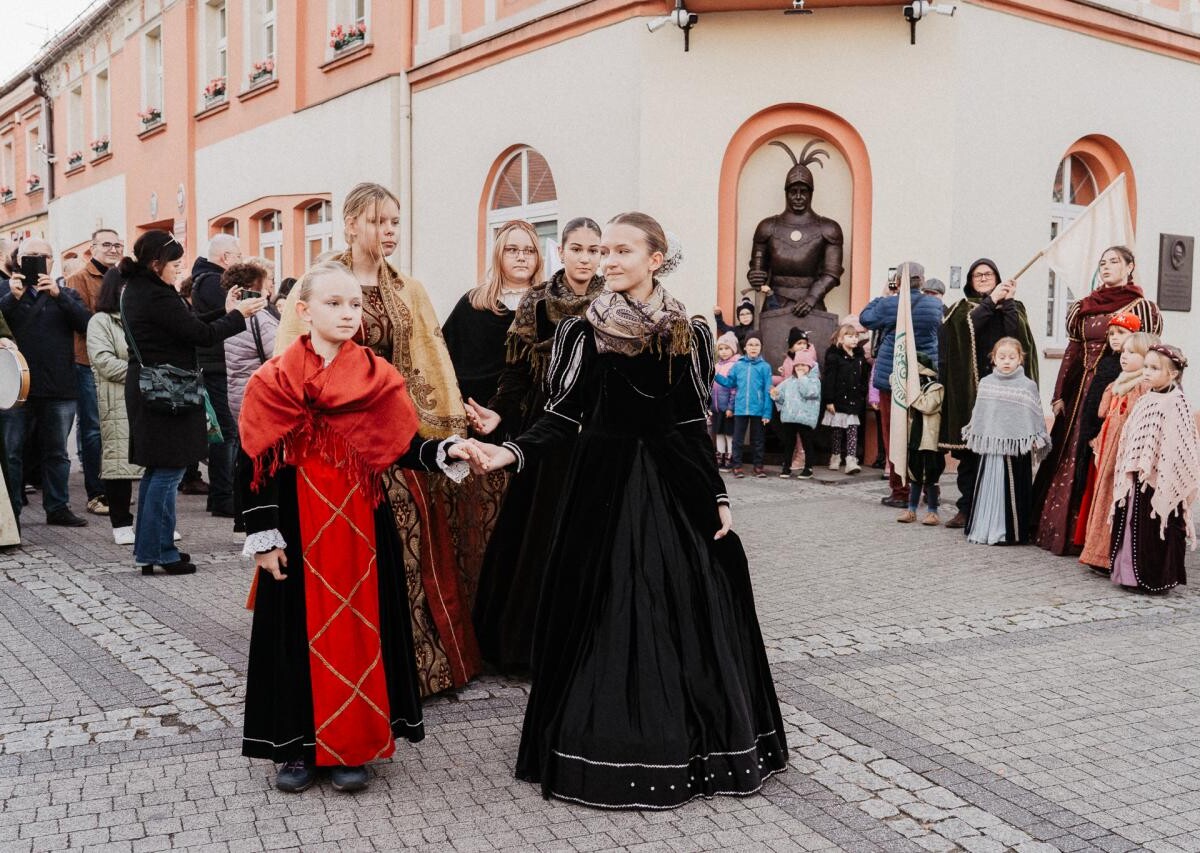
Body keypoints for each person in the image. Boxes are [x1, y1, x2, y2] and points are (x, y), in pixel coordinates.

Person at [468, 212, 787, 809]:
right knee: (601, 605)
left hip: (670, 489)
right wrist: (511, 451)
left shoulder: (687, 331)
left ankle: (694, 742)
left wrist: (714, 494)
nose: (607, 261)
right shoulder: (579, 331)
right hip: (599, 488)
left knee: (682, 605)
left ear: (655, 257)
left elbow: (693, 422)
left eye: (620, 251)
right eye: (602, 252)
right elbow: (561, 415)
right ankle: (593, 741)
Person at [238, 262, 477, 795]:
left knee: (361, 634)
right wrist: (262, 537)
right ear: (304, 311)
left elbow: (401, 443)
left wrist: (444, 450)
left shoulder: (377, 376)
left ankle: (351, 746)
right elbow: (256, 460)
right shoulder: (274, 380)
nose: (348, 314)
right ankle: (296, 749)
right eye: (333, 304)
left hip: (362, 530)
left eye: (353, 305)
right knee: (293, 636)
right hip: (298, 532)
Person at [274, 182, 482, 696]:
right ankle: (341, 666)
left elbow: (432, 357)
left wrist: (440, 429)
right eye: (376, 222)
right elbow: (288, 358)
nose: (387, 231)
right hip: (333, 438)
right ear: (350, 224)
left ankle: (417, 668)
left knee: (409, 541)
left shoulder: (408, 288)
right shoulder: (319, 284)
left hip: (395, 430)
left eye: (393, 222)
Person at [468, 217, 604, 671]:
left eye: (594, 249)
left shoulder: (613, 302)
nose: (585, 258)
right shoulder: (539, 302)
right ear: (560, 252)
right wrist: (499, 412)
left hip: (598, 433)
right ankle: (528, 647)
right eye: (577, 248)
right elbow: (517, 373)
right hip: (547, 431)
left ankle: (589, 644)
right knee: (537, 536)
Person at [122, 230, 266, 575]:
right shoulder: (155, 295)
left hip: (154, 388)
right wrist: (238, 317)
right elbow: (199, 336)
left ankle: (155, 549)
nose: (179, 268)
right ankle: (158, 551)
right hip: (165, 391)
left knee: (161, 470)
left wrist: (226, 311)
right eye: (175, 263)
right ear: (156, 264)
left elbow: (186, 325)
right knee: (167, 471)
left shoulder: (142, 289)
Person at [1031, 246, 1162, 555]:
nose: (1106, 267)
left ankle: (1096, 537)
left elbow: (1148, 351)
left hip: (1117, 389)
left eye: (1114, 261)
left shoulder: (1141, 307)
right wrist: (1059, 392)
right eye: (1103, 263)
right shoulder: (1085, 306)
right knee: (1067, 453)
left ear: (1130, 266)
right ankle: (1056, 530)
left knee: (1102, 456)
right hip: (1080, 393)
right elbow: (1073, 351)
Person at [938, 259, 1038, 529]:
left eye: (988, 274)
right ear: (970, 280)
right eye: (977, 275)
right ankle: (966, 508)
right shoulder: (961, 309)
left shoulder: (1014, 307)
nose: (983, 278)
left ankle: (1004, 510)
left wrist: (1006, 303)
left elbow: (1018, 335)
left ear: (998, 277)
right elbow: (963, 330)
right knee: (972, 453)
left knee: (1004, 452)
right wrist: (990, 301)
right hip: (973, 389)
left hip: (1006, 390)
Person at [0, 238, 92, 527]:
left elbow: (86, 324)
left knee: (56, 452)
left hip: (59, 385)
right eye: (31, 256)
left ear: (52, 261)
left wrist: (58, 295)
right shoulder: (6, 291)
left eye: (44, 256)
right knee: (11, 453)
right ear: (18, 260)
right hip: (16, 388)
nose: (38, 260)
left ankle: (57, 507)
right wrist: (11, 298)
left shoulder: (65, 293)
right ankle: (11, 513)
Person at [1109, 344, 1198, 593]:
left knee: (1157, 527)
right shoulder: (1146, 399)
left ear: (1172, 374)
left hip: (1162, 477)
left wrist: (1165, 470)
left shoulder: (1176, 403)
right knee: (1133, 524)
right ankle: (1129, 575)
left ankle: (1155, 578)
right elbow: (1133, 435)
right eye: (1145, 366)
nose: (1146, 372)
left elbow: (1181, 444)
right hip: (1139, 475)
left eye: (1154, 368)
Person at [860, 262, 942, 507]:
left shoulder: (889, 304)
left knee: (893, 433)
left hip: (892, 376)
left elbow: (865, 318)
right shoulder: (935, 305)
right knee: (924, 435)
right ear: (923, 279)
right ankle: (927, 490)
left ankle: (900, 492)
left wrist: (885, 294)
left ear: (897, 280)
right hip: (924, 375)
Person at [443, 219, 542, 413]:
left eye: (529, 251)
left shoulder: (548, 304)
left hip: (530, 416)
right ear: (498, 255)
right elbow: (444, 357)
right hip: (476, 410)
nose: (521, 257)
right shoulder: (472, 302)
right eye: (512, 250)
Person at [1077, 330, 1156, 571]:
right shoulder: (1119, 382)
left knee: (1118, 502)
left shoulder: (1143, 387)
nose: (1124, 356)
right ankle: (1097, 553)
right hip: (1109, 452)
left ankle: (1112, 555)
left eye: (1132, 353)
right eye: (1124, 351)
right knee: (1102, 500)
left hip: (1126, 454)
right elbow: (1104, 414)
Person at [963, 338, 1050, 545]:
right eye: (1001, 357)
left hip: (1016, 450)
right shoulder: (986, 383)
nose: (1007, 361)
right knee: (989, 488)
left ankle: (1009, 532)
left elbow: (1034, 415)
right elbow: (981, 415)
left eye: (1012, 357)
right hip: (992, 449)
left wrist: (1036, 437)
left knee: (1012, 490)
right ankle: (984, 527)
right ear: (993, 359)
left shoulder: (1028, 386)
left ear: (1021, 359)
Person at [67, 228, 124, 516]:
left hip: (119, 362)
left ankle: (115, 490)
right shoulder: (78, 278)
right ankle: (96, 492)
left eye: (117, 245)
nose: (113, 249)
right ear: (92, 248)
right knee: (92, 429)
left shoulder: (124, 278)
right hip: (88, 361)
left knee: (114, 429)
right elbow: (80, 321)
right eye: (106, 245)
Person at [86, 273, 144, 545]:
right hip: (117, 398)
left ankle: (150, 522)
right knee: (118, 462)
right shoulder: (101, 321)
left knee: (153, 461)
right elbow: (103, 361)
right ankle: (121, 523)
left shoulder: (142, 316)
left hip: (145, 398)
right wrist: (142, 373)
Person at [190, 233, 244, 519]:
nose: (241, 261)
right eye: (238, 255)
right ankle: (223, 495)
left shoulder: (206, 280)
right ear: (225, 258)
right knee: (225, 432)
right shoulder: (213, 282)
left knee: (224, 431)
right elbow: (227, 318)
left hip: (216, 363)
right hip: (215, 364)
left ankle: (220, 495)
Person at [715, 332, 774, 478]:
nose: (753, 348)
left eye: (756, 345)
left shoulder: (765, 367)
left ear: (761, 348)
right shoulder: (738, 365)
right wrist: (714, 375)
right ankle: (737, 466)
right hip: (740, 408)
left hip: (758, 409)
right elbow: (730, 383)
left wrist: (767, 412)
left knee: (758, 440)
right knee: (738, 439)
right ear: (745, 347)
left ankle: (758, 466)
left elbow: (768, 390)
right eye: (750, 345)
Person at [897, 355, 945, 525]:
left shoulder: (935, 387)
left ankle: (933, 512)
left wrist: (910, 392)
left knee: (931, 475)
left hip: (929, 441)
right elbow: (894, 379)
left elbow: (928, 406)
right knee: (914, 474)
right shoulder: (914, 387)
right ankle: (911, 510)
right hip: (914, 440)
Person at [821, 323, 869, 474]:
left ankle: (851, 459)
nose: (854, 339)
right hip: (838, 399)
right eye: (850, 336)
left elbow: (863, 377)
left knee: (852, 429)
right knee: (837, 430)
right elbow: (829, 379)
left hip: (854, 399)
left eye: (856, 336)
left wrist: (862, 392)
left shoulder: (859, 357)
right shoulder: (834, 356)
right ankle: (835, 456)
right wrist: (829, 400)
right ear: (841, 339)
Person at [772, 348, 820, 478]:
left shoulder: (814, 380)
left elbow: (809, 392)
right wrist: (775, 394)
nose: (800, 368)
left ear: (810, 366)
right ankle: (786, 467)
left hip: (805, 417)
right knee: (789, 443)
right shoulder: (789, 381)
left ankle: (808, 468)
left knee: (807, 442)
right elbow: (781, 396)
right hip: (790, 417)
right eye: (797, 365)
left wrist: (802, 378)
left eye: (803, 365)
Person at [711, 332, 739, 469]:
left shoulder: (735, 366)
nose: (723, 352)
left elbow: (734, 388)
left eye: (727, 348)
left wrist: (730, 407)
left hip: (728, 409)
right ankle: (720, 455)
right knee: (719, 432)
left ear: (733, 349)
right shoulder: (716, 365)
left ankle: (730, 456)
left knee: (729, 433)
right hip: (716, 408)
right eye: (720, 349)